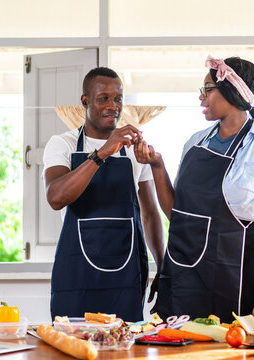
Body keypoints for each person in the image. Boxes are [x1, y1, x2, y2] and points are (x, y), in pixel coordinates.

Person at [134, 56, 254, 323]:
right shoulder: (195, 143)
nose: (201, 97)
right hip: (185, 281)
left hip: (239, 285)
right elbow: (178, 214)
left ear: (232, 90)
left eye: (207, 89)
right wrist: (157, 165)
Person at [43, 67, 165, 321]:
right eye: (103, 98)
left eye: (118, 98)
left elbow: (150, 214)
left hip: (126, 275)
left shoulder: (134, 150)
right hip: (76, 274)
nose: (113, 106)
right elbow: (56, 197)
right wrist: (102, 153)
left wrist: (162, 269)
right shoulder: (62, 144)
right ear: (85, 101)